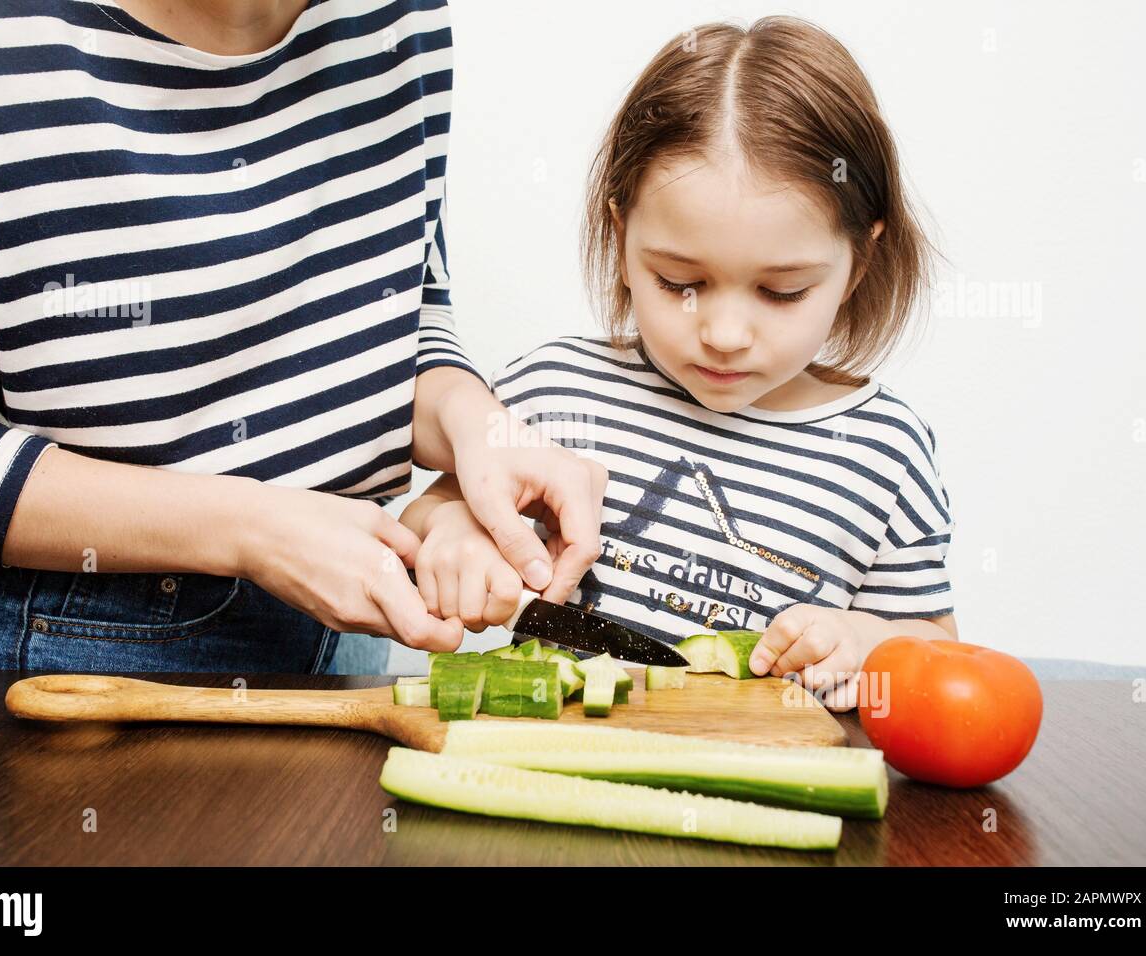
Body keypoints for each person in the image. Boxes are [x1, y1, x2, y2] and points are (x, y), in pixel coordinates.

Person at [0, 0, 605, 673]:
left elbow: (395, 309)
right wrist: (251, 530)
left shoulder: (400, 22)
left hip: (345, 625)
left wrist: (472, 426)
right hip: (63, 653)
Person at [399, 17, 958, 711]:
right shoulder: (552, 392)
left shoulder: (885, 453)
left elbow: (939, 657)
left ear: (860, 262)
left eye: (781, 291)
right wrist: (452, 533)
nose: (724, 334)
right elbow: (430, 511)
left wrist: (867, 642)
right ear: (622, 236)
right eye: (679, 283)